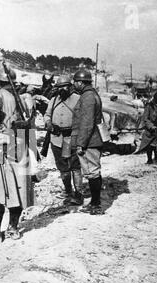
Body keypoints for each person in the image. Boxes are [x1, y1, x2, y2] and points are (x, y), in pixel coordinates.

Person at [0, 66, 34, 241]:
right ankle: (13, 228)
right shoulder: (20, 97)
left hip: (1, 147)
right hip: (19, 145)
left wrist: (3, 131)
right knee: (17, 188)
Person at [44, 75, 83, 205]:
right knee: (63, 168)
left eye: (65, 86)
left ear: (70, 86)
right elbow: (47, 115)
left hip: (70, 138)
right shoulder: (54, 100)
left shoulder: (78, 99)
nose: (63, 89)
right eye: (60, 87)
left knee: (75, 166)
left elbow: (84, 118)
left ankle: (78, 194)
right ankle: (68, 191)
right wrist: (49, 123)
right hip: (56, 138)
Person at [72, 69, 104, 215]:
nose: (74, 84)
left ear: (80, 82)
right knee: (93, 172)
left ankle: (96, 205)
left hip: (90, 140)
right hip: (92, 139)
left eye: (75, 82)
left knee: (92, 172)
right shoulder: (91, 94)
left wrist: (81, 143)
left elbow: (87, 122)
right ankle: (94, 202)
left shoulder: (88, 96)